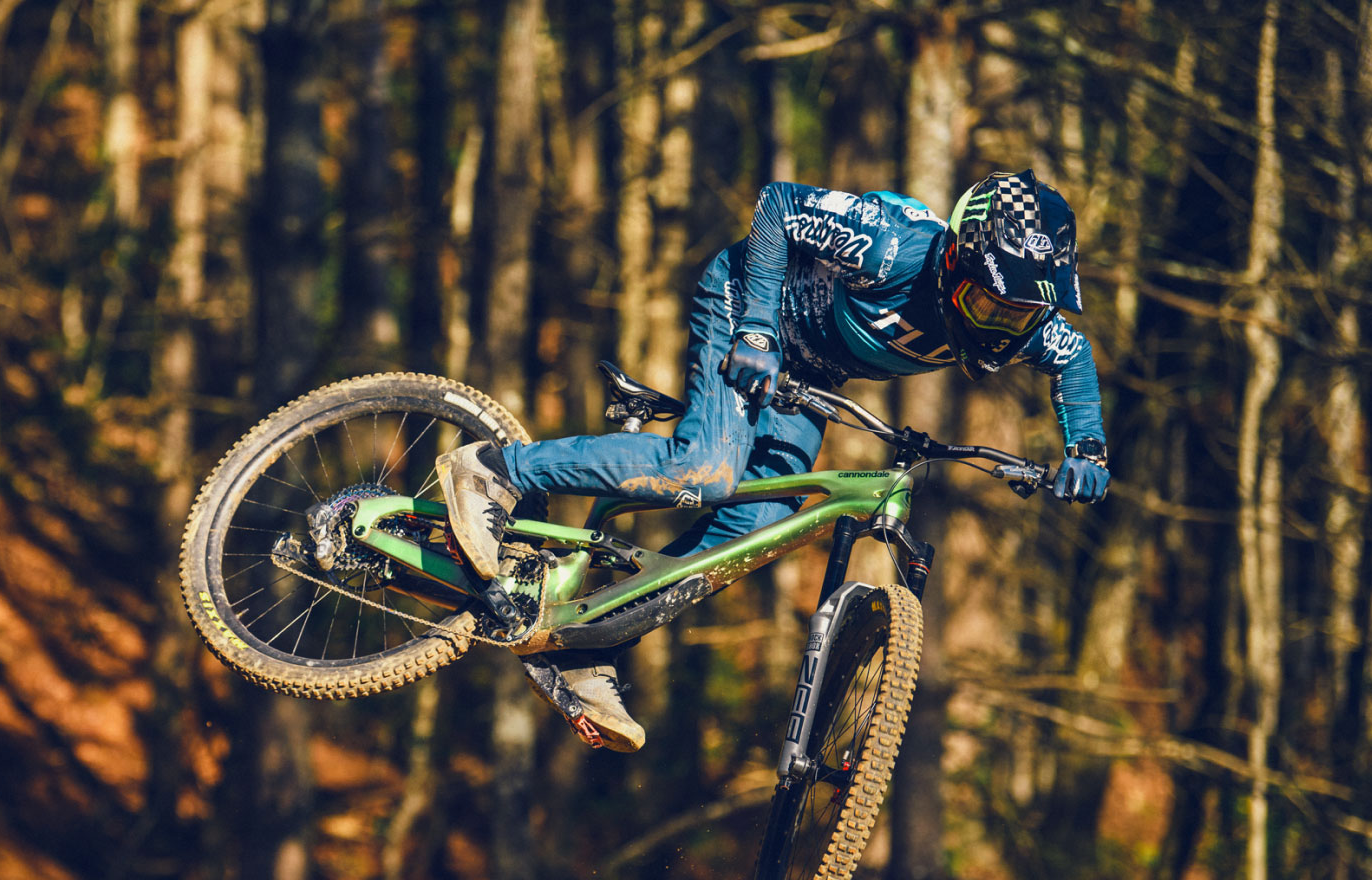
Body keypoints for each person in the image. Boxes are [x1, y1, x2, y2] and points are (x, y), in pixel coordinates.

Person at [436, 170, 1110, 752]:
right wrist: (757, 324)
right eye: (986, 304)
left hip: (813, 373)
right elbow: (779, 207)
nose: (997, 327)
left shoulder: (1019, 319)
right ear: (958, 262)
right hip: (749, 307)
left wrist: (1086, 444)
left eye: (1018, 317)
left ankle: (589, 642)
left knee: (753, 528)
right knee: (704, 471)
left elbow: (1073, 356)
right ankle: (498, 470)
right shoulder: (892, 245)